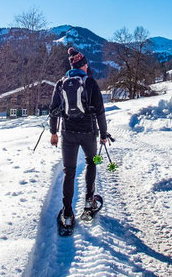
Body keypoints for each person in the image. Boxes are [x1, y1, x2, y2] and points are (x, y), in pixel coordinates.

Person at [49, 47, 108, 227]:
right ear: (83, 65)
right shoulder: (90, 82)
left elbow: (53, 111)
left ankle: (67, 214)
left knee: (69, 171)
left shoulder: (61, 83)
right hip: (89, 133)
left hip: (68, 133)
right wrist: (103, 134)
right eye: (86, 64)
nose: (88, 66)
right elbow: (100, 112)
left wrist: (53, 133)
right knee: (92, 162)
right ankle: (89, 203)